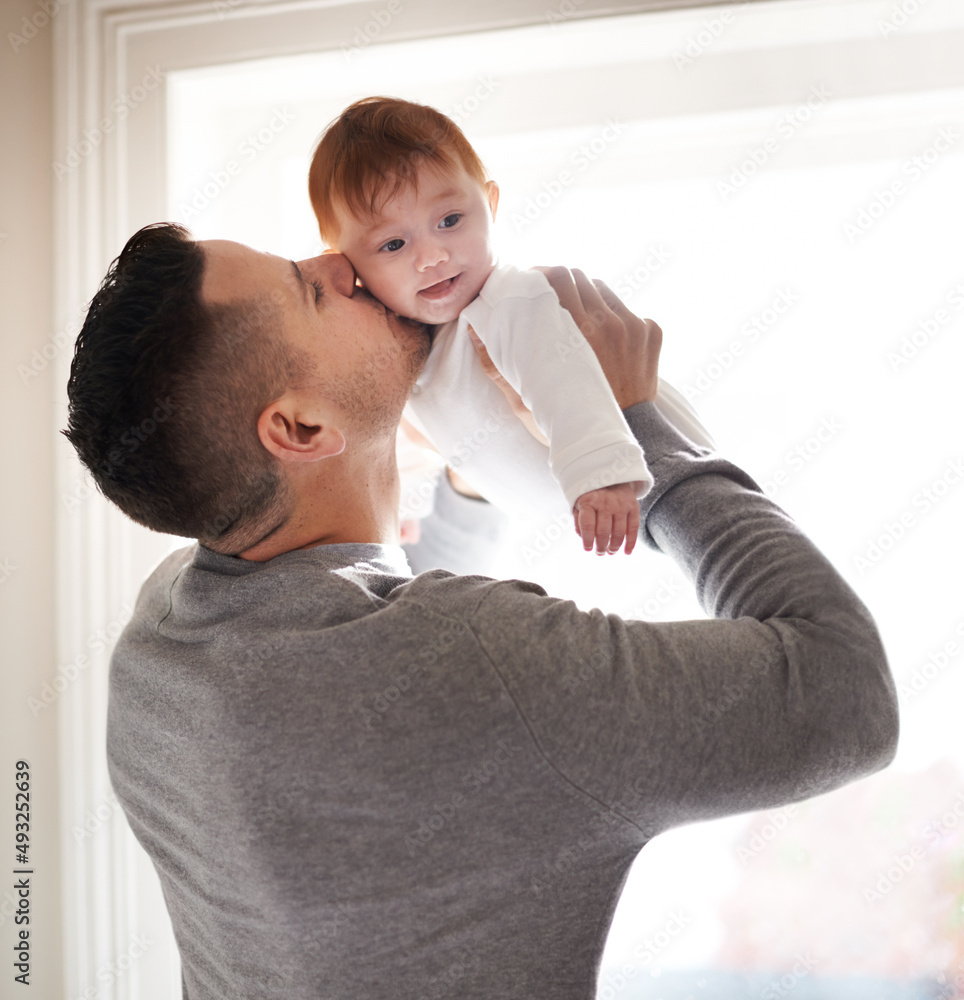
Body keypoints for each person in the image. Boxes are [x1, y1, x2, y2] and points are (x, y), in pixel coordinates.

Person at [63, 222, 898, 1000]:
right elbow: (842, 691)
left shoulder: (160, 642)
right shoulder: (472, 666)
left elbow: (387, 693)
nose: (342, 262)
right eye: (309, 290)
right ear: (301, 425)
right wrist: (635, 426)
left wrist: (474, 462)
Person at [310, 96, 657, 555]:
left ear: (490, 205)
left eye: (450, 220)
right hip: (589, 507)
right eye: (393, 244)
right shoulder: (406, 349)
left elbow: (565, 383)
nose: (432, 256)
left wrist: (602, 473)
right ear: (347, 260)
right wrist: (407, 504)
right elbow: (408, 432)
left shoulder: (510, 302)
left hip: (634, 468)